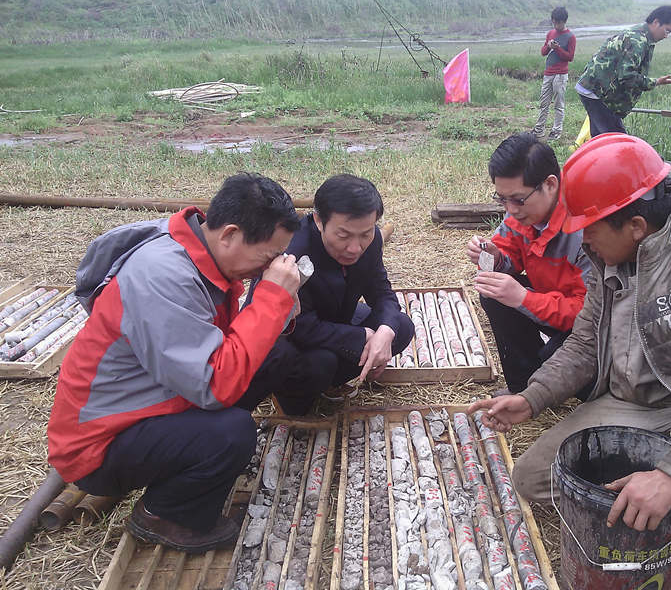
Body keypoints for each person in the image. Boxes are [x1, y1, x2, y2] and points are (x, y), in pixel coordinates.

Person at [468, 133, 671, 590]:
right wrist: (532, 398)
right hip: (631, 402)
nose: (582, 239)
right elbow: (583, 343)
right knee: (532, 480)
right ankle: (670, 477)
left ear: (635, 225)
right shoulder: (608, 256)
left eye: (589, 228)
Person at [47, 173, 302, 553]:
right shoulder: (161, 275)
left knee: (275, 356)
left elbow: (223, 348)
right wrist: (270, 299)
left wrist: (280, 306)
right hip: (101, 441)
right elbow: (214, 385)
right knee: (232, 433)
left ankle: (189, 461)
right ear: (230, 234)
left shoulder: (203, 252)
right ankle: (163, 515)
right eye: (267, 257)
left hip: (157, 399)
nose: (268, 267)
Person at [239, 173, 414, 415]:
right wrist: (361, 336)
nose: (355, 248)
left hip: (334, 319)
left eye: (365, 234)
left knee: (400, 326)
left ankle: (331, 381)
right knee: (321, 366)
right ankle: (291, 393)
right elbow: (299, 327)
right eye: (343, 236)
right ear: (319, 220)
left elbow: (382, 292)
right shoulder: (293, 253)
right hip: (291, 341)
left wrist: (385, 331)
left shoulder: (371, 242)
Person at [466, 133, 591, 397]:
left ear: (550, 184)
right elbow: (508, 255)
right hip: (550, 303)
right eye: (502, 199)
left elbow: (589, 313)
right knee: (494, 292)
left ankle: (551, 389)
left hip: (586, 325)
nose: (511, 209)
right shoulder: (522, 214)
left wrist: (523, 298)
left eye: (518, 199)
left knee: (559, 361)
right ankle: (522, 387)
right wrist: (492, 257)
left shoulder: (586, 231)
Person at [576, 5, 671, 137]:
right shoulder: (637, 40)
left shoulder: (640, 34)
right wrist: (654, 82)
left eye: (669, 33)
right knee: (617, 140)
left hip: (595, 89)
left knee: (601, 138)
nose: (666, 36)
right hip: (598, 93)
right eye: (667, 30)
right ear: (656, 22)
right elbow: (627, 76)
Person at [533, 6, 576, 142]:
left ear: (564, 21)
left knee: (558, 104)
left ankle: (556, 131)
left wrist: (557, 49)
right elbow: (543, 52)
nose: (556, 25)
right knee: (543, 103)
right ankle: (539, 129)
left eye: (559, 23)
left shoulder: (571, 37)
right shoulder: (550, 33)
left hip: (561, 74)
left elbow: (570, 57)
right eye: (554, 22)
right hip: (548, 73)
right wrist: (548, 46)